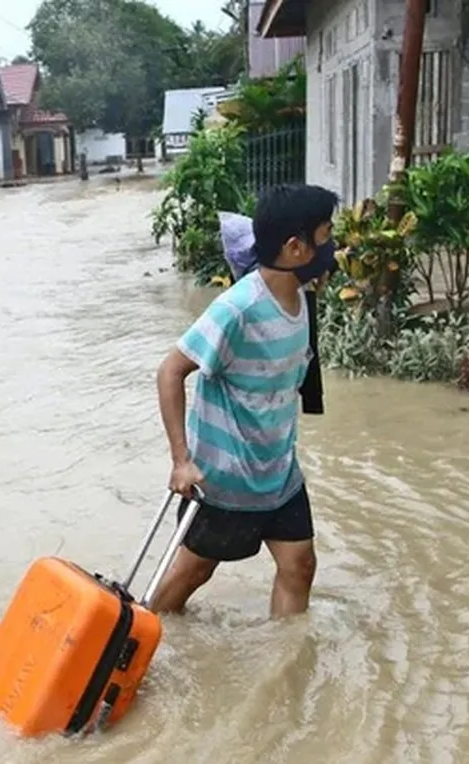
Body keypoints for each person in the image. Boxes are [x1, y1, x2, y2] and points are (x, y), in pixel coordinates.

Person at [151, 184, 340, 619]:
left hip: (278, 472)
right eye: (327, 235)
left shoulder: (304, 299)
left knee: (300, 565)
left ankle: (285, 667)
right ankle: (148, 641)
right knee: (192, 573)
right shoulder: (237, 309)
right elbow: (170, 371)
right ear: (296, 247)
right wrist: (181, 462)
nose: (333, 247)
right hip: (225, 477)